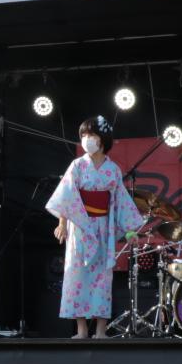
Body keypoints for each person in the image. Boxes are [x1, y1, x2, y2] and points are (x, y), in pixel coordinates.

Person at [46, 116, 144, 339]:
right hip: (80, 226)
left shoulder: (113, 170)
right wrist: (62, 222)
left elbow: (119, 201)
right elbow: (66, 196)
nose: (87, 140)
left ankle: (100, 330)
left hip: (103, 228)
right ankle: (81, 330)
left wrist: (129, 229)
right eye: (84, 136)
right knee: (76, 275)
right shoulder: (78, 165)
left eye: (91, 135)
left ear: (103, 139)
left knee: (102, 278)